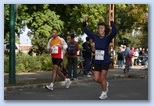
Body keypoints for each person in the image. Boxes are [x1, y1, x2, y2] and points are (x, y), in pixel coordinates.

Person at [83, 16, 116, 99]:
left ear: (105, 30)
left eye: (102, 28)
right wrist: (84, 22)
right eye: (99, 28)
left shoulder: (107, 38)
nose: (100, 30)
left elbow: (114, 32)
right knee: (96, 78)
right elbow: (86, 31)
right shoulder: (95, 37)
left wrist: (112, 22)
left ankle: (104, 93)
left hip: (105, 60)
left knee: (102, 77)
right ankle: (105, 84)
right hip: (97, 60)